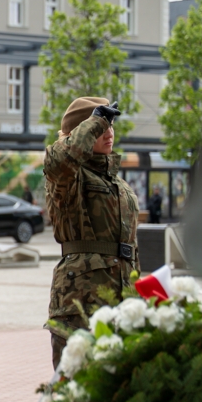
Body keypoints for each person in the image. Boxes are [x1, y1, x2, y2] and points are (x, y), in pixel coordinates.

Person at [45, 97, 139, 370]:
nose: (108, 132)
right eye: (101, 126)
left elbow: (128, 246)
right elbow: (59, 160)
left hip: (120, 296)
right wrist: (94, 122)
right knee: (75, 387)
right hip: (81, 302)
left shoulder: (115, 181)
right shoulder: (68, 177)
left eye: (111, 124)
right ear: (80, 132)